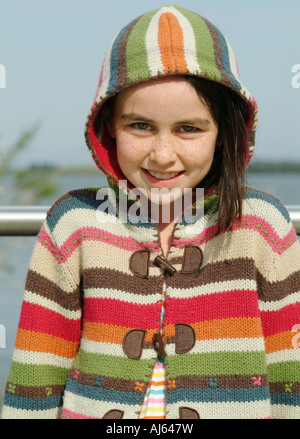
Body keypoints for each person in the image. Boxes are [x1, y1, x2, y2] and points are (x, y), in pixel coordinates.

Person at [2, 5, 300, 420]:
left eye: (189, 128)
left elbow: (291, 377)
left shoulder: (262, 226)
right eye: (139, 126)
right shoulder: (73, 224)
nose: (162, 155)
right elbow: (36, 376)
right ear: (107, 125)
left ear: (226, 132)